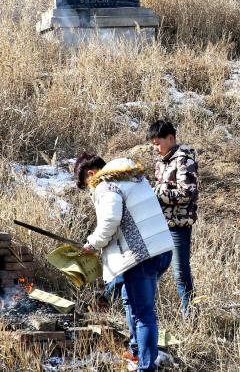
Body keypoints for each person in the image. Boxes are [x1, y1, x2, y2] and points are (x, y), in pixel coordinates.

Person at [76, 153, 173, 372]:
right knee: (131, 302)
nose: (90, 189)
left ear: (91, 174)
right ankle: (137, 351)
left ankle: (146, 367)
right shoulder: (133, 177)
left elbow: (110, 221)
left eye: (87, 185)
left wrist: (92, 243)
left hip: (140, 255)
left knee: (143, 314)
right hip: (161, 249)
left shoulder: (105, 184)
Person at [147, 120, 198, 316]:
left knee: (180, 273)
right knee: (150, 269)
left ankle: (190, 316)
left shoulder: (184, 159)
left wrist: (157, 195)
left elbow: (187, 193)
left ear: (171, 138)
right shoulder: (162, 161)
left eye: (157, 143)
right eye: (153, 144)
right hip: (161, 223)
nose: (155, 148)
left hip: (178, 224)